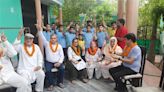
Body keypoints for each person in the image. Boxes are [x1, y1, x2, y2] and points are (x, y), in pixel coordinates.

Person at [36, 24, 65, 90]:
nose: (53, 39)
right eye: (52, 38)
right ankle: (50, 84)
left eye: (54, 38)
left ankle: (60, 82)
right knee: (48, 71)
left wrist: (59, 62)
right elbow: (41, 36)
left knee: (62, 69)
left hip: (57, 62)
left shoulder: (59, 46)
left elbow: (62, 56)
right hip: (49, 62)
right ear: (50, 39)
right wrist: (39, 29)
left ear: (56, 39)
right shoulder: (46, 44)